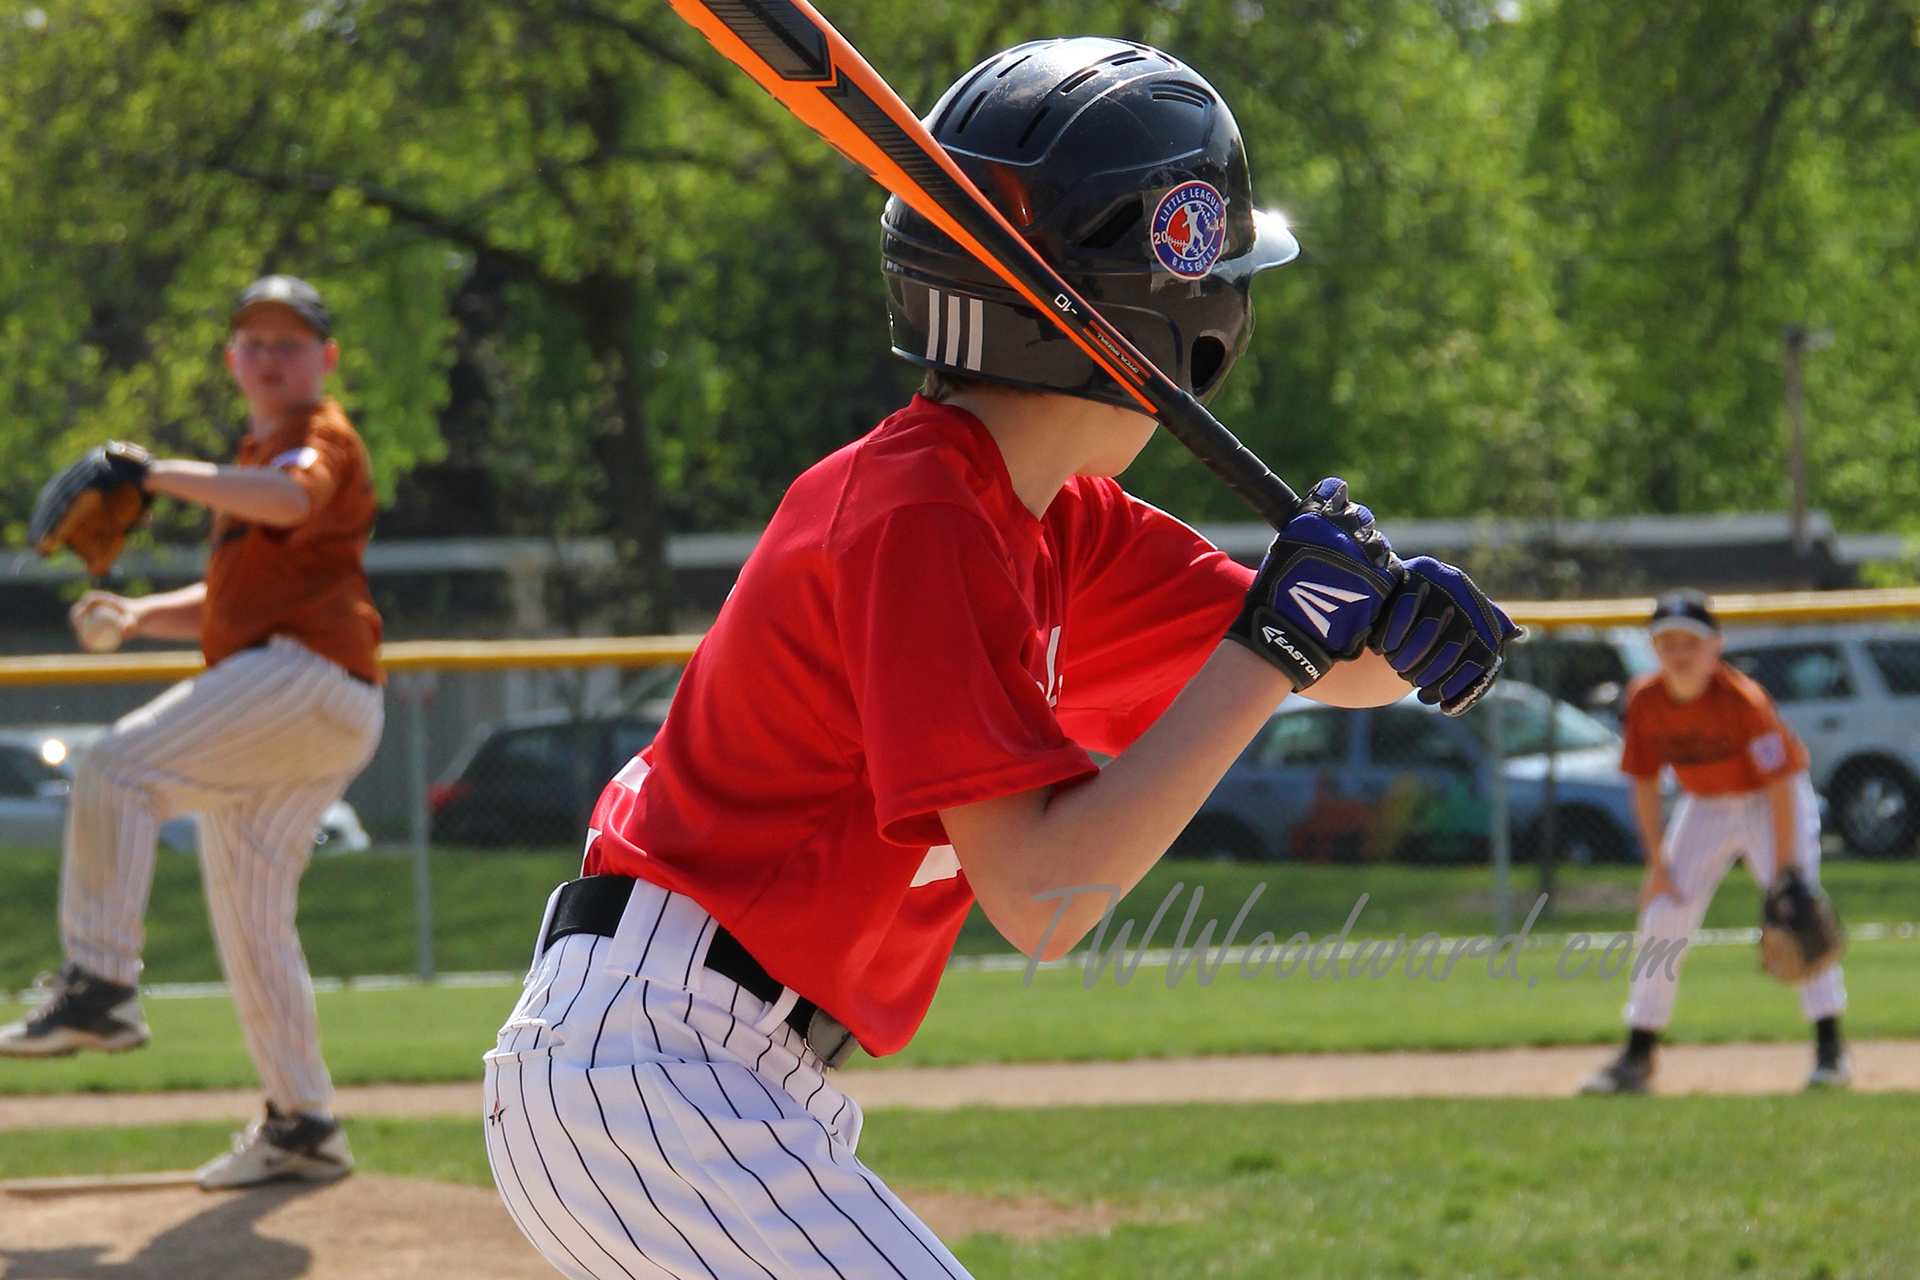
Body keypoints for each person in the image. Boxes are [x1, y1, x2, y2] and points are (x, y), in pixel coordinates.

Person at [480, 38, 1517, 1280]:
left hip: (706, 1070)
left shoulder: (1050, 519)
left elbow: (1300, 657)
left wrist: (1390, 637)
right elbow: (1041, 893)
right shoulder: (922, 513)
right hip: (657, 1066)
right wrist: (1282, 640)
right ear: (1176, 314)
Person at [0, 276, 387, 1187]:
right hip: (308, 700)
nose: (269, 356)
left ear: (324, 359)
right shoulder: (255, 460)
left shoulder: (315, 439)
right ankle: (304, 1122)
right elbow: (232, 601)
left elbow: (293, 500)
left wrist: (152, 473)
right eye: (252, 342)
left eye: (289, 342)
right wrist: (139, 617)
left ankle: (98, 984)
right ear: (230, 360)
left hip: (308, 679)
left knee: (116, 769)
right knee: (253, 922)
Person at [1581, 589, 1849, 1095]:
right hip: (1704, 804)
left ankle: (1831, 1049)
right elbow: (1643, 783)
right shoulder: (1645, 700)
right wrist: (1657, 863)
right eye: (1668, 642)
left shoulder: (1742, 699)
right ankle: (1638, 1055)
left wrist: (1789, 872)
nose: (1680, 653)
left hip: (1769, 803)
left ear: (1716, 646)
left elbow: (1781, 784)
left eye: (1691, 642)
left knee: (1798, 914)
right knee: (1663, 917)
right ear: (1653, 648)